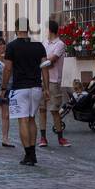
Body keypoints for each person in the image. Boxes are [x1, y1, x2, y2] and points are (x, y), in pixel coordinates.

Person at [0, 19, 48, 166]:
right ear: (28, 29)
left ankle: (28, 155)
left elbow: (8, 68)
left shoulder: (12, 46)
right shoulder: (38, 45)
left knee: (23, 120)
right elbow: (44, 68)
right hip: (36, 87)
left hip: (20, 87)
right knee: (32, 118)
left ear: (15, 29)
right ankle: (33, 153)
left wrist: (3, 88)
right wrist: (46, 88)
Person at [39, 17, 71, 148]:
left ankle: (60, 138)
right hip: (41, 79)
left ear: (50, 30)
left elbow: (50, 61)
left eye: (46, 28)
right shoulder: (44, 43)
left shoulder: (60, 44)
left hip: (53, 81)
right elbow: (43, 62)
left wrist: (44, 62)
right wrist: (43, 62)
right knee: (42, 109)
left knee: (54, 110)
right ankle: (42, 138)